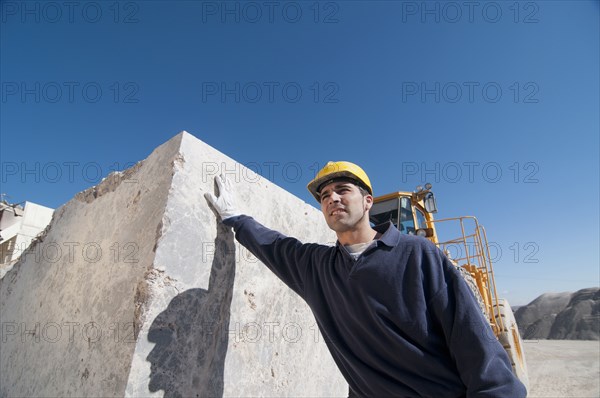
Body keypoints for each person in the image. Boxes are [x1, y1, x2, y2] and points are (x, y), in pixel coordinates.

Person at [205, 161, 527, 398]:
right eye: (325, 195)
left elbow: (476, 346)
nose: (332, 199)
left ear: (368, 201)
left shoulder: (419, 255)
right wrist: (236, 218)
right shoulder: (318, 269)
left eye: (342, 190)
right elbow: (275, 247)